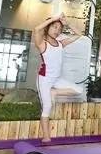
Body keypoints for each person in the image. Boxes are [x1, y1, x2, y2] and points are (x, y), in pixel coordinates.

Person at [34, 13, 83, 143]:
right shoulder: (42, 43)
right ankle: (46, 137)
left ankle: (54, 92)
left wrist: (68, 23)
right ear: (48, 28)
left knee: (79, 90)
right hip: (44, 80)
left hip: (56, 79)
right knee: (47, 106)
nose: (57, 31)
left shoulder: (61, 43)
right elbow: (37, 29)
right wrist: (54, 18)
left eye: (59, 29)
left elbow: (79, 34)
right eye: (54, 27)